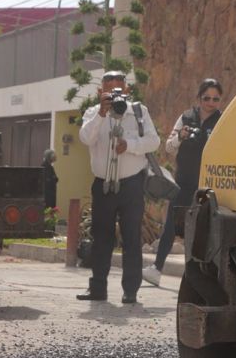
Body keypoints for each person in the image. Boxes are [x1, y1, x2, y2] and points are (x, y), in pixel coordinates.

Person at [76, 70, 160, 304]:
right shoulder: (93, 113)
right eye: (109, 88)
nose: (114, 93)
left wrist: (130, 145)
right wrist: (102, 113)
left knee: (132, 238)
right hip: (102, 185)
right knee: (101, 237)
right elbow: (85, 138)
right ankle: (98, 289)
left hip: (131, 184)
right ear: (99, 92)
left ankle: (130, 291)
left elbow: (154, 141)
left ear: (127, 90)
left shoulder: (139, 111)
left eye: (119, 88)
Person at [143, 78, 223, 286]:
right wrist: (181, 136)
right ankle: (156, 268)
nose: (210, 103)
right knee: (171, 224)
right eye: (206, 98)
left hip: (207, 185)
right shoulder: (186, 117)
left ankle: (197, 277)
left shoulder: (222, 121)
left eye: (215, 99)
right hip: (184, 181)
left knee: (201, 230)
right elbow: (169, 147)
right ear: (199, 98)